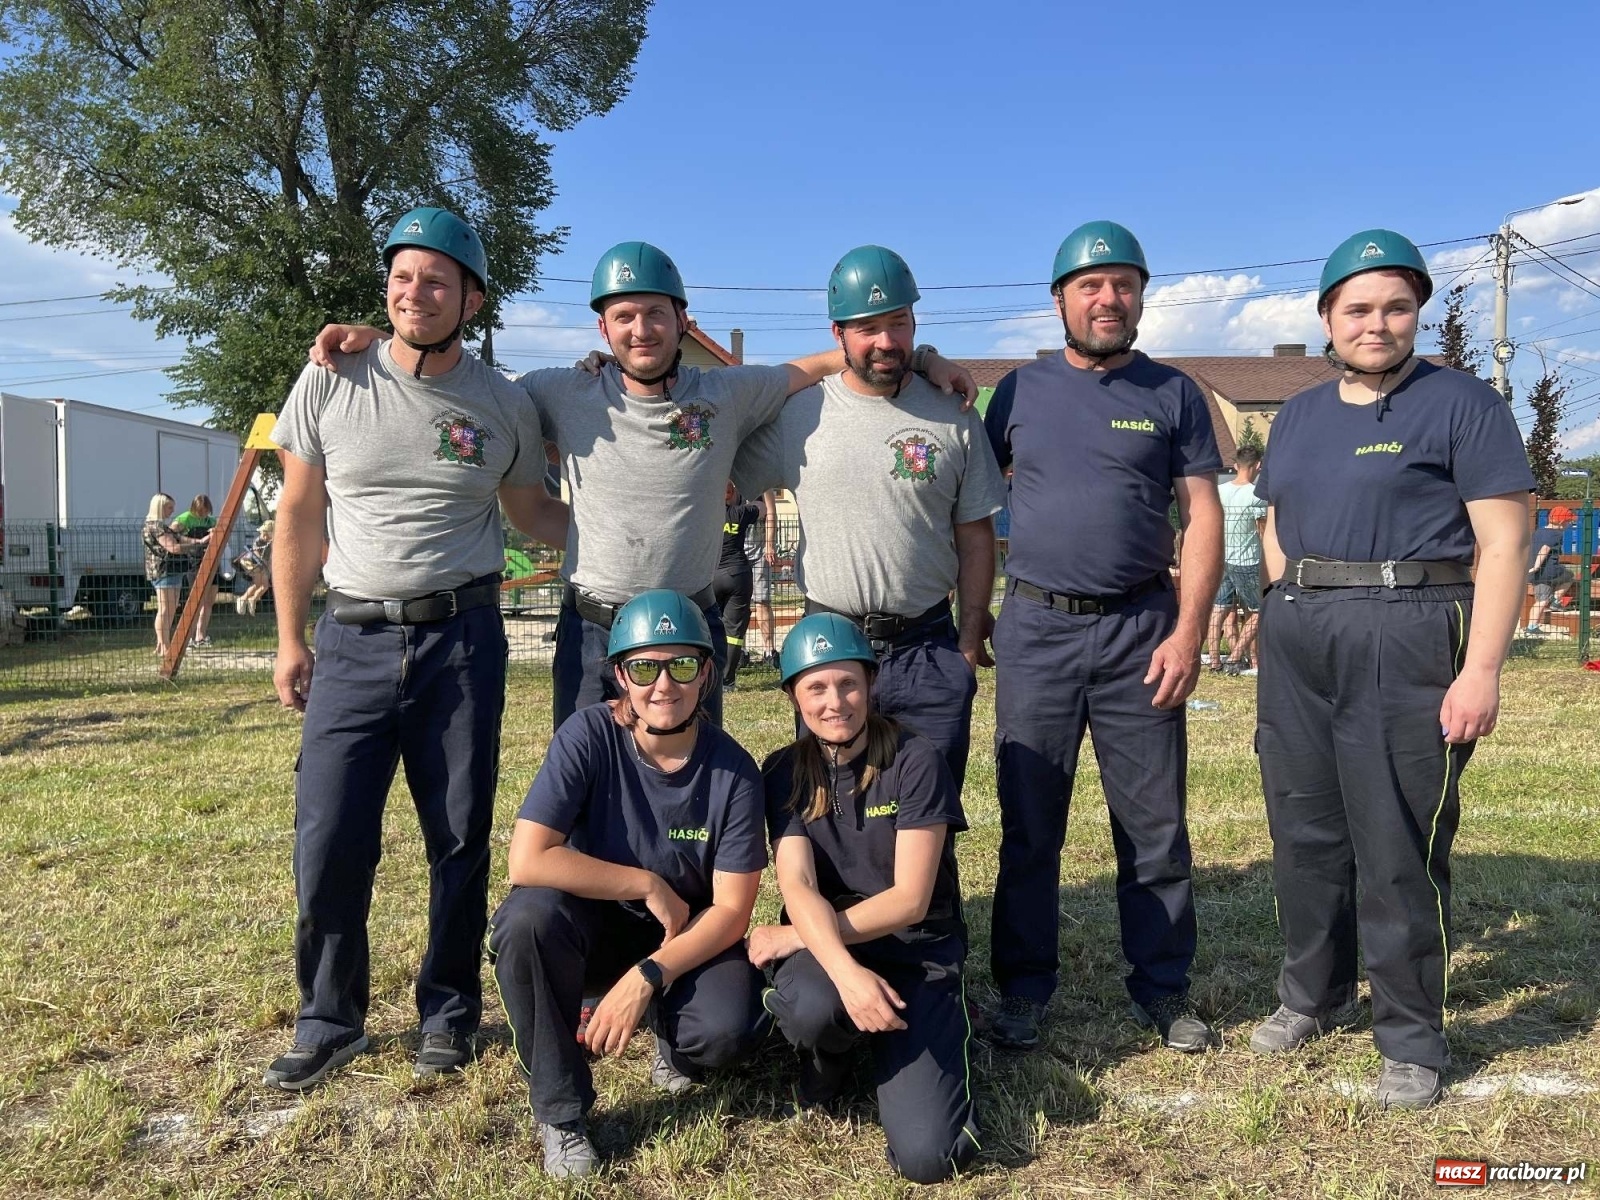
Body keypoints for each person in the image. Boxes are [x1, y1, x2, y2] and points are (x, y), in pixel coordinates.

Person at [309, 241, 977, 730]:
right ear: (602, 327)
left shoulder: (727, 395)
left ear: (683, 320)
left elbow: (832, 357)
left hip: (691, 625)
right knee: (587, 789)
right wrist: (389, 341)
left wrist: (920, 356)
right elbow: (469, 393)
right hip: (592, 631)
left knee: (695, 794)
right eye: (623, 316)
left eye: (655, 314)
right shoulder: (556, 392)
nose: (640, 329)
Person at [263, 207, 570, 1091]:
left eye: (437, 280)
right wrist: (288, 637)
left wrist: (622, 534)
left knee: (460, 835)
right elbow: (298, 513)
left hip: (462, 642)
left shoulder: (504, 402)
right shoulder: (331, 376)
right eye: (402, 277)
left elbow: (530, 515)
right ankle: (329, 1018)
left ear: (471, 297)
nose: (414, 293)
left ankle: (448, 1010)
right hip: (351, 639)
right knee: (327, 839)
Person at [1249, 230, 1533, 1109]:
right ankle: (1314, 993)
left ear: (1418, 313)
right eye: (1358, 309)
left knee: (1395, 840)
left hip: (1407, 625)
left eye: (1396, 307)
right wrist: (1286, 597)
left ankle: (1410, 1037)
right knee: (1305, 832)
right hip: (1302, 629)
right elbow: (1274, 517)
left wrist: (1480, 669)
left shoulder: (1464, 404)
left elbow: (1506, 540)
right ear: (1327, 317)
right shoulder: (1296, 414)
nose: (1378, 324)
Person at [982, 221, 1224, 1054]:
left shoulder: (1175, 394)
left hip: (1140, 631)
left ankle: (1162, 987)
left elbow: (1202, 516)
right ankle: (1022, 988)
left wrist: (1188, 631)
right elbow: (964, 495)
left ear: (1142, 295)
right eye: (1089, 285)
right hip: (1037, 630)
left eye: (1123, 284)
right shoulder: (1015, 391)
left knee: (1154, 827)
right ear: (1059, 300)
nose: (1107, 299)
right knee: (1030, 825)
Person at [487, 591, 770, 1179]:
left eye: (682, 665)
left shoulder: (735, 771)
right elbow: (527, 859)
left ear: (708, 672)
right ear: (620, 676)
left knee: (724, 1033)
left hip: (683, 940)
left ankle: (671, 1028)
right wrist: (644, 882)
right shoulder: (587, 735)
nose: (663, 685)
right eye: (644, 667)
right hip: (594, 925)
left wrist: (649, 976)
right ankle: (561, 1112)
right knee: (525, 920)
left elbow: (733, 912)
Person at [733, 245, 1006, 789]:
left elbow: (976, 538)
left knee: (931, 823)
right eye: (868, 327)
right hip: (828, 647)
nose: (886, 341)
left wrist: (968, 647)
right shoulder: (797, 415)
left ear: (914, 322)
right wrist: (606, 377)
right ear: (838, 335)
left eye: (899, 323)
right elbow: (705, 456)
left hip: (928, 647)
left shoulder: (953, 412)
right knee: (831, 815)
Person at [748, 613, 979, 1185]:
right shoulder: (781, 770)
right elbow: (798, 884)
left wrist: (797, 937)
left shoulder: (915, 758)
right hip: (833, 957)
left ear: (870, 684)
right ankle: (832, 1052)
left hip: (912, 951)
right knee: (810, 1009)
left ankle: (916, 1038)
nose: (836, 702)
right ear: (793, 696)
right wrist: (847, 973)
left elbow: (909, 900)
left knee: (931, 1158)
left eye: (848, 683)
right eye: (816, 687)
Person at [1207, 446, 1268, 673]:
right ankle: (1234, 658)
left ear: (1235, 465)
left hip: (1222, 558)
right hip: (1247, 561)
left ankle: (1214, 661)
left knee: (1218, 611)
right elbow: (1262, 532)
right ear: (1258, 466)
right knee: (1260, 610)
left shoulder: (1219, 491)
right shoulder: (1256, 495)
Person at [142, 492, 209, 656]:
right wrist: (197, 546)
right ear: (160, 507)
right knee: (165, 610)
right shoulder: (155, 526)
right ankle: (165, 647)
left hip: (172, 572)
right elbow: (173, 546)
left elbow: (179, 537)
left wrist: (200, 540)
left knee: (170, 609)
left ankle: (162, 644)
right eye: (169, 507)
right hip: (164, 571)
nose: (172, 511)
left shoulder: (161, 525)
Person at [714, 483, 766, 688]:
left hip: (712, 575)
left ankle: (711, 676)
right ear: (733, 494)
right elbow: (763, 509)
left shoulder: (708, 516)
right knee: (734, 632)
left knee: (711, 626)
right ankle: (727, 680)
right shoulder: (740, 513)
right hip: (738, 574)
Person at [170, 494, 221, 647]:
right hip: (194, 563)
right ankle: (189, 636)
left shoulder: (211, 521)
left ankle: (201, 635)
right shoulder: (185, 518)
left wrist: (216, 532)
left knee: (209, 601)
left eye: (206, 511)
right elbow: (172, 533)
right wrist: (190, 540)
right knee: (195, 600)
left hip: (212, 562)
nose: (203, 514)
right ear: (194, 508)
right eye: (200, 511)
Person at [1524, 505, 1576, 636]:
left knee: (1540, 600)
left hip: (1537, 575)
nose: (1569, 525)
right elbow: (1544, 550)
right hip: (1549, 571)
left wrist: (1533, 568)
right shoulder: (1556, 534)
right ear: (1562, 522)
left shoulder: (1538, 532)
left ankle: (1531, 626)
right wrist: (1537, 565)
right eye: (1568, 522)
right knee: (1569, 575)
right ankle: (1556, 600)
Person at [745, 489, 780, 666]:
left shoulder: (763, 484)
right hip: (736, 552)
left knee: (762, 601)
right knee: (737, 603)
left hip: (760, 552)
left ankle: (769, 651)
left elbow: (772, 511)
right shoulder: (730, 483)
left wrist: (769, 545)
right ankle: (740, 652)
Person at [235, 519, 275, 616]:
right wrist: (266, 564)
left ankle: (253, 599)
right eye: (263, 534)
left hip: (262, 566)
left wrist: (269, 569)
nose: (265, 537)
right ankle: (243, 599)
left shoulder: (271, 544)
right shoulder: (258, 541)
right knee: (258, 584)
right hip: (253, 563)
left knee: (264, 586)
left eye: (268, 535)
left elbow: (270, 558)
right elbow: (257, 555)